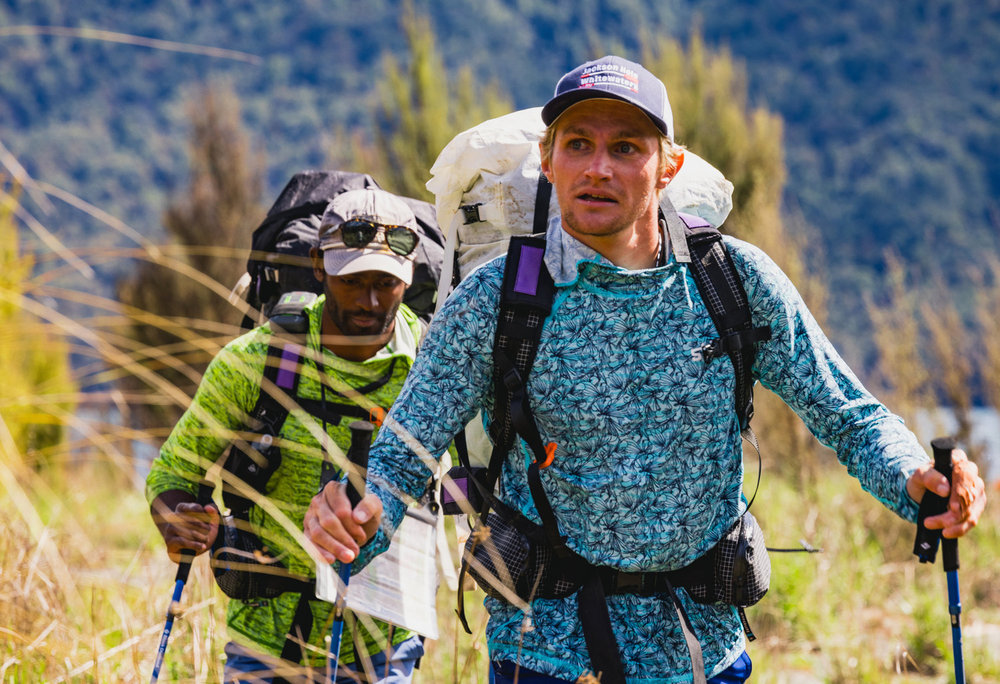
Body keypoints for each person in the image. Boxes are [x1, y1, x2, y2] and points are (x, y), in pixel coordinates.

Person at [303, 56, 988, 683]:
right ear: (549, 160)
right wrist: (359, 517)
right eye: (579, 145)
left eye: (625, 147)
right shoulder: (499, 301)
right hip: (541, 652)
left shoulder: (733, 283)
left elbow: (849, 414)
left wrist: (914, 480)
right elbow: (403, 452)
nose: (598, 167)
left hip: (700, 649)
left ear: (667, 165)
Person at [147, 187, 430, 683]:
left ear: (407, 279)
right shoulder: (255, 360)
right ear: (318, 265)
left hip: (381, 641)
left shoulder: (435, 366)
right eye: (353, 280)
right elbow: (174, 472)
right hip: (264, 635)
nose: (369, 300)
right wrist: (180, 518)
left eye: (385, 283)